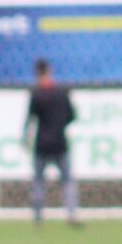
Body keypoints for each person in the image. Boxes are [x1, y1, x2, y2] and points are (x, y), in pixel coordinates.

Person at [22, 59, 80, 228]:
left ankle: (38, 218)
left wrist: (26, 139)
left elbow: (30, 119)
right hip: (60, 142)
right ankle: (71, 214)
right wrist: (59, 126)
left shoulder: (36, 94)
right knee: (67, 180)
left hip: (42, 144)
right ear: (50, 71)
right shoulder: (62, 92)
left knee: (39, 181)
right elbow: (72, 116)